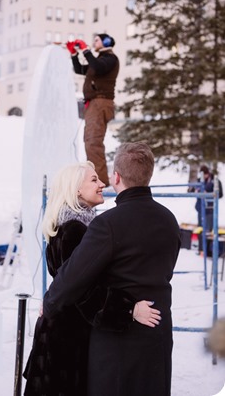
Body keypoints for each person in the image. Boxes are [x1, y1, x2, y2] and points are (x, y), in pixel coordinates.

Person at [43, 142, 181, 396]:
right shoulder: (169, 220)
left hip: (116, 343)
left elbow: (73, 278)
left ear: (116, 176)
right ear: (148, 175)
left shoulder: (107, 224)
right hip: (158, 334)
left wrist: (49, 302)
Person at [66, 34, 119, 186]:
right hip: (94, 104)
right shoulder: (99, 60)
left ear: (107, 42)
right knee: (90, 141)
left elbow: (98, 67)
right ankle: (97, 178)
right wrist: (75, 54)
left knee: (93, 141)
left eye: (97, 40)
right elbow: (80, 69)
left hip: (100, 102)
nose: (93, 42)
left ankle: (101, 181)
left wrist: (86, 50)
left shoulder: (110, 59)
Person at [194, 165, 223, 232]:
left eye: (205, 175)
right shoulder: (199, 180)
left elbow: (220, 194)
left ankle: (209, 242)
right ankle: (201, 241)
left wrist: (208, 194)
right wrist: (195, 191)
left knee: (209, 231)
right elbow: (191, 190)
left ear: (207, 173)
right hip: (200, 208)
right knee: (200, 229)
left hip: (210, 209)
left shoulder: (215, 181)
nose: (203, 177)